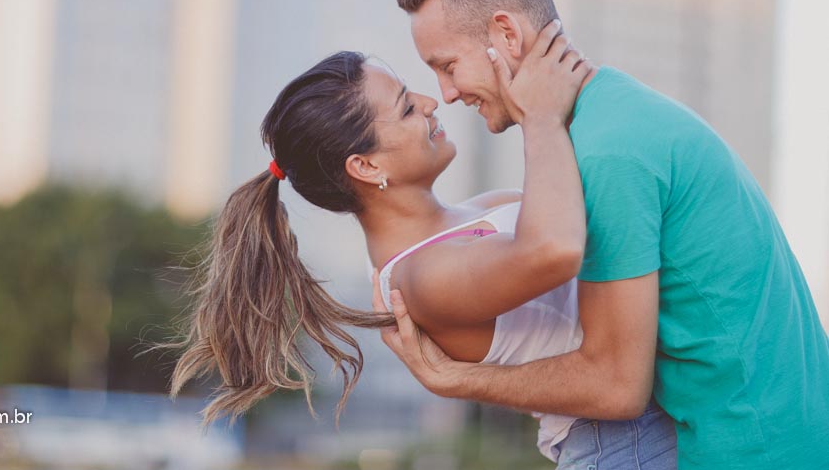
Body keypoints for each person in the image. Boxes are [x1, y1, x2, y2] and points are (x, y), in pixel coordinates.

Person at [374, 0, 829, 469]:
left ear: (506, 34)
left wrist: (457, 378)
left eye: (447, 66)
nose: (446, 94)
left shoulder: (606, 154)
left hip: (751, 452)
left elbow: (615, 386)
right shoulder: (610, 117)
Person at [168, 27, 677, 467]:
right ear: (366, 167)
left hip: (654, 419)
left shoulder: (484, 208)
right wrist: (541, 117)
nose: (433, 104)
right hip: (621, 446)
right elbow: (553, 252)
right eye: (408, 108)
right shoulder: (417, 280)